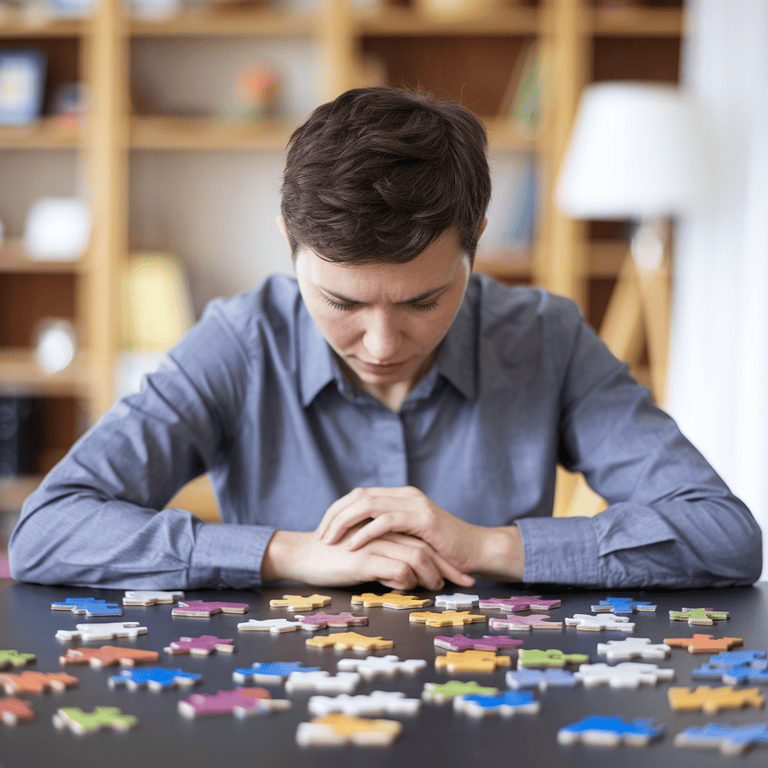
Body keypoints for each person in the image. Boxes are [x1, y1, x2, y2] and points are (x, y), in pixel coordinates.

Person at [9, 87, 762, 591]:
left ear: (476, 245)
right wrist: (287, 551)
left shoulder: (545, 338)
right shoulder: (239, 342)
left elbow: (725, 535)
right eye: (340, 301)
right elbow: (45, 531)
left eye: (424, 299)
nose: (378, 342)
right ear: (289, 245)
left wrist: (490, 545)